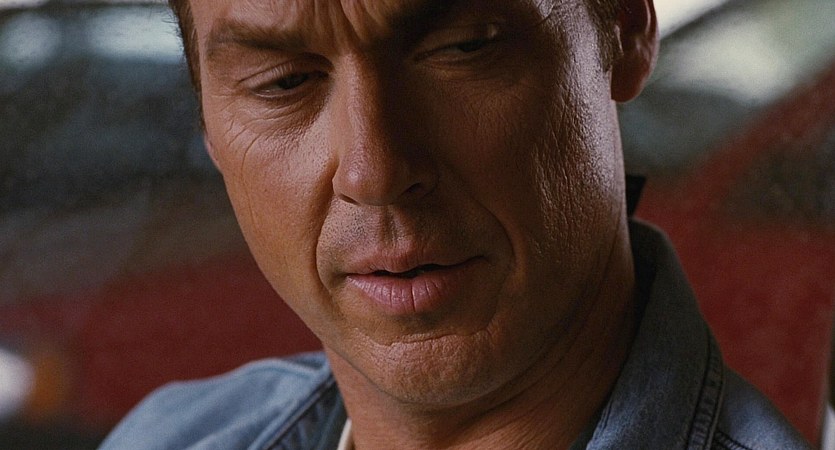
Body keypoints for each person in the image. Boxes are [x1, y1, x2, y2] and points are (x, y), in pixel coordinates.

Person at [100, 0, 812, 448]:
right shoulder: (167, 437)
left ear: (621, 26)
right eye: (283, 83)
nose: (374, 172)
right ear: (207, 120)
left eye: (462, 48)